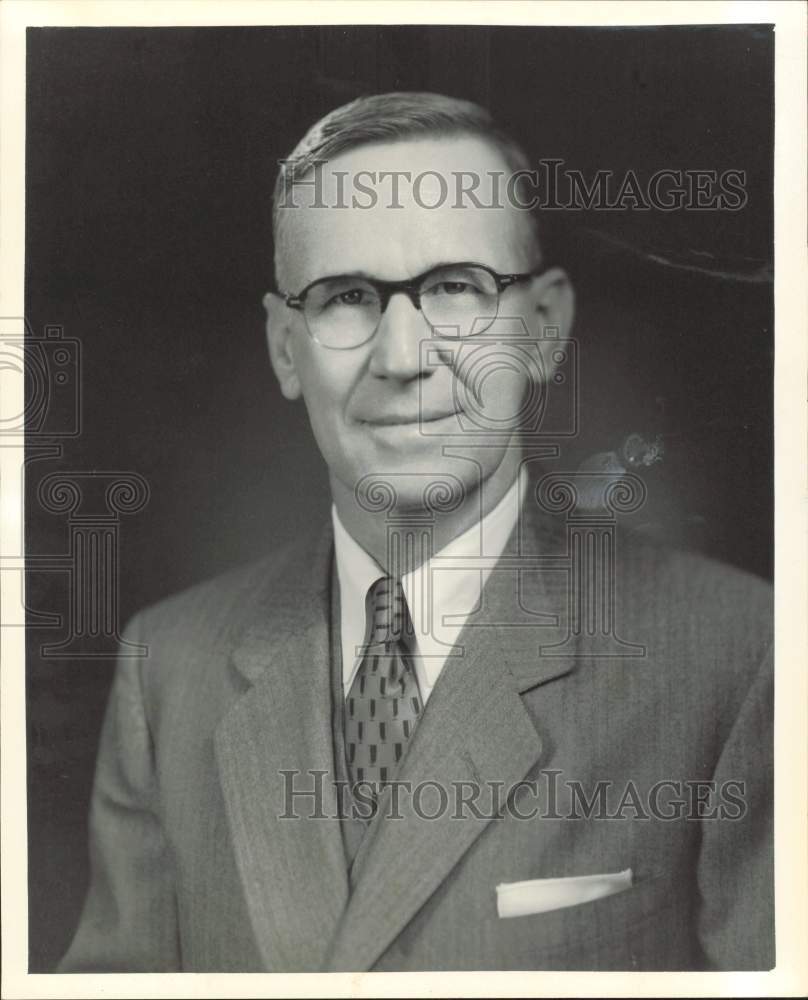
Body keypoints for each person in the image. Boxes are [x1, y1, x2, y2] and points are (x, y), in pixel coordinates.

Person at [59, 92, 773, 973]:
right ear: (287, 347)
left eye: (454, 289)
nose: (403, 358)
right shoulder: (168, 667)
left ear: (543, 327)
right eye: (347, 297)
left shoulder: (739, 655)